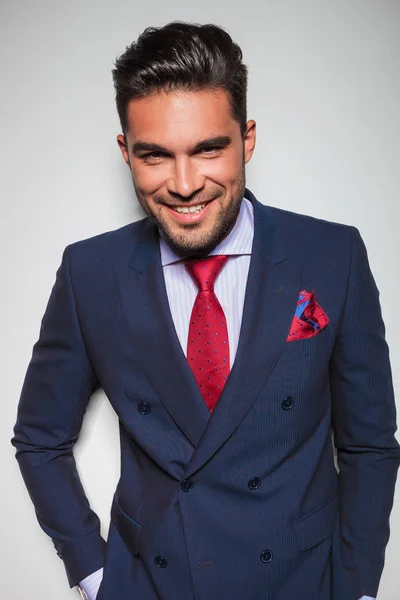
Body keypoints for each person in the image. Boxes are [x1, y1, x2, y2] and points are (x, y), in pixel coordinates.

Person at [11, 21, 400, 600]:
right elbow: (39, 438)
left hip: (299, 584)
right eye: (156, 156)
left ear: (246, 139)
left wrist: (359, 590)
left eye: (208, 148)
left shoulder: (331, 256)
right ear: (126, 152)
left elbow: (370, 444)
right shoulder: (90, 274)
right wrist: (98, 578)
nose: (185, 183)